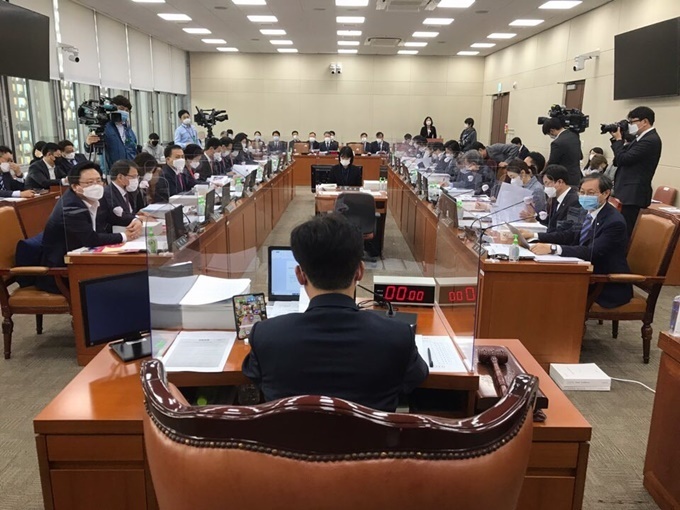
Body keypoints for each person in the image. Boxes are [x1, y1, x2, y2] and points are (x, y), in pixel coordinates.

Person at [242, 214, 428, 412]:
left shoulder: (266, 335)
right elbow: (417, 377)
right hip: (368, 434)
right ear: (360, 271)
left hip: (292, 433)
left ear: (300, 275)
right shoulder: (398, 336)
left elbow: (254, 376)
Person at [530, 173, 632, 309]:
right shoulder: (583, 211)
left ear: (606, 193)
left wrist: (553, 249)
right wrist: (534, 236)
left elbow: (591, 252)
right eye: (582, 192)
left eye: (590, 193)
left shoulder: (614, 222)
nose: (584, 197)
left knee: (550, 286)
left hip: (604, 283)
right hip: (583, 272)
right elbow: (568, 235)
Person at [40, 162, 142, 277]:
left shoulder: (94, 197)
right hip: (65, 268)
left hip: (87, 256)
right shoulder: (70, 206)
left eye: (99, 181)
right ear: (75, 187)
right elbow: (90, 239)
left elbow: (111, 216)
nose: (96, 186)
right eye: (89, 182)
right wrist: (125, 236)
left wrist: (135, 220)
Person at [611, 106, 662, 236]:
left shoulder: (650, 140)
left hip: (634, 195)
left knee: (626, 231)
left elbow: (623, 159)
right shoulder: (639, 139)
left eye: (632, 122)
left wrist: (619, 140)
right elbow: (617, 160)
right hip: (627, 193)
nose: (630, 126)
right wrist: (618, 140)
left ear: (644, 121)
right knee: (620, 229)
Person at [85, 95, 138, 170]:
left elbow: (133, 149)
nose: (124, 112)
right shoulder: (103, 127)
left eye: (127, 110)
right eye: (121, 109)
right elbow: (90, 148)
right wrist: (88, 143)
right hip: (111, 170)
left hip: (129, 170)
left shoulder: (129, 130)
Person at [543, 117, 583, 187]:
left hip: (564, 179)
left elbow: (552, 163)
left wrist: (542, 173)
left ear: (552, 131)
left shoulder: (557, 143)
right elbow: (580, 156)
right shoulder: (574, 136)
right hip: (576, 176)